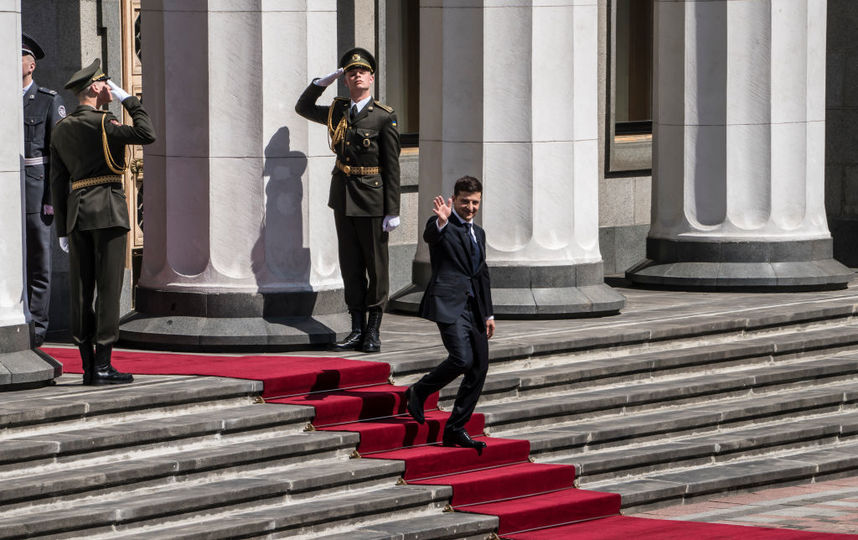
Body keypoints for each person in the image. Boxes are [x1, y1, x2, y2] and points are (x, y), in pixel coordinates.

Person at [50, 59, 156, 385]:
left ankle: (86, 366)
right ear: (95, 88)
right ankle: (104, 365)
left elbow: (57, 181)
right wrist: (129, 99)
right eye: (105, 83)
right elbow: (146, 133)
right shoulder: (104, 122)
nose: (109, 86)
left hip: (77, 214)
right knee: (108, 290)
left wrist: (62, 228)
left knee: (82, 292)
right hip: (108, 211)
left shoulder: (61, 128)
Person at [295, 47, 401, 353]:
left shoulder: (384, 116)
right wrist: (320, 84)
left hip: (373, 199)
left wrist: (392, 209)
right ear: (346, 80)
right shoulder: (339, 111)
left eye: (362, 72)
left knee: (376, 268)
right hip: (343, 197)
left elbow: (392, 167)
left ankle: (373, 331)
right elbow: (303, 108)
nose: (357, 76)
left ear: (371, 77)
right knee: (351, 266)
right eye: (351, 73)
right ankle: (356, 329)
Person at [405, 176, 495, 452]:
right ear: (454, 200)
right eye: (465, 202)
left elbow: (481, 274)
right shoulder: (442, 223)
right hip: (449, 303)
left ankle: (455, 429)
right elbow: (431, 235)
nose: (470, 207)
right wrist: (442, 220)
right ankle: (419, 391)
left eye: (475, 202)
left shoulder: (478, 233)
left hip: (475, 308)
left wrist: (489, 314)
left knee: (479, 367)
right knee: (461, 359)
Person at [21, 33, 65, 347]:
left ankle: (37, 328)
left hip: (36, 191)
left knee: (39, 260)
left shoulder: (48, 100)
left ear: (31, 65)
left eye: (17, 56)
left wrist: (52, 199)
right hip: (7, 189)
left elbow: (58, 154)